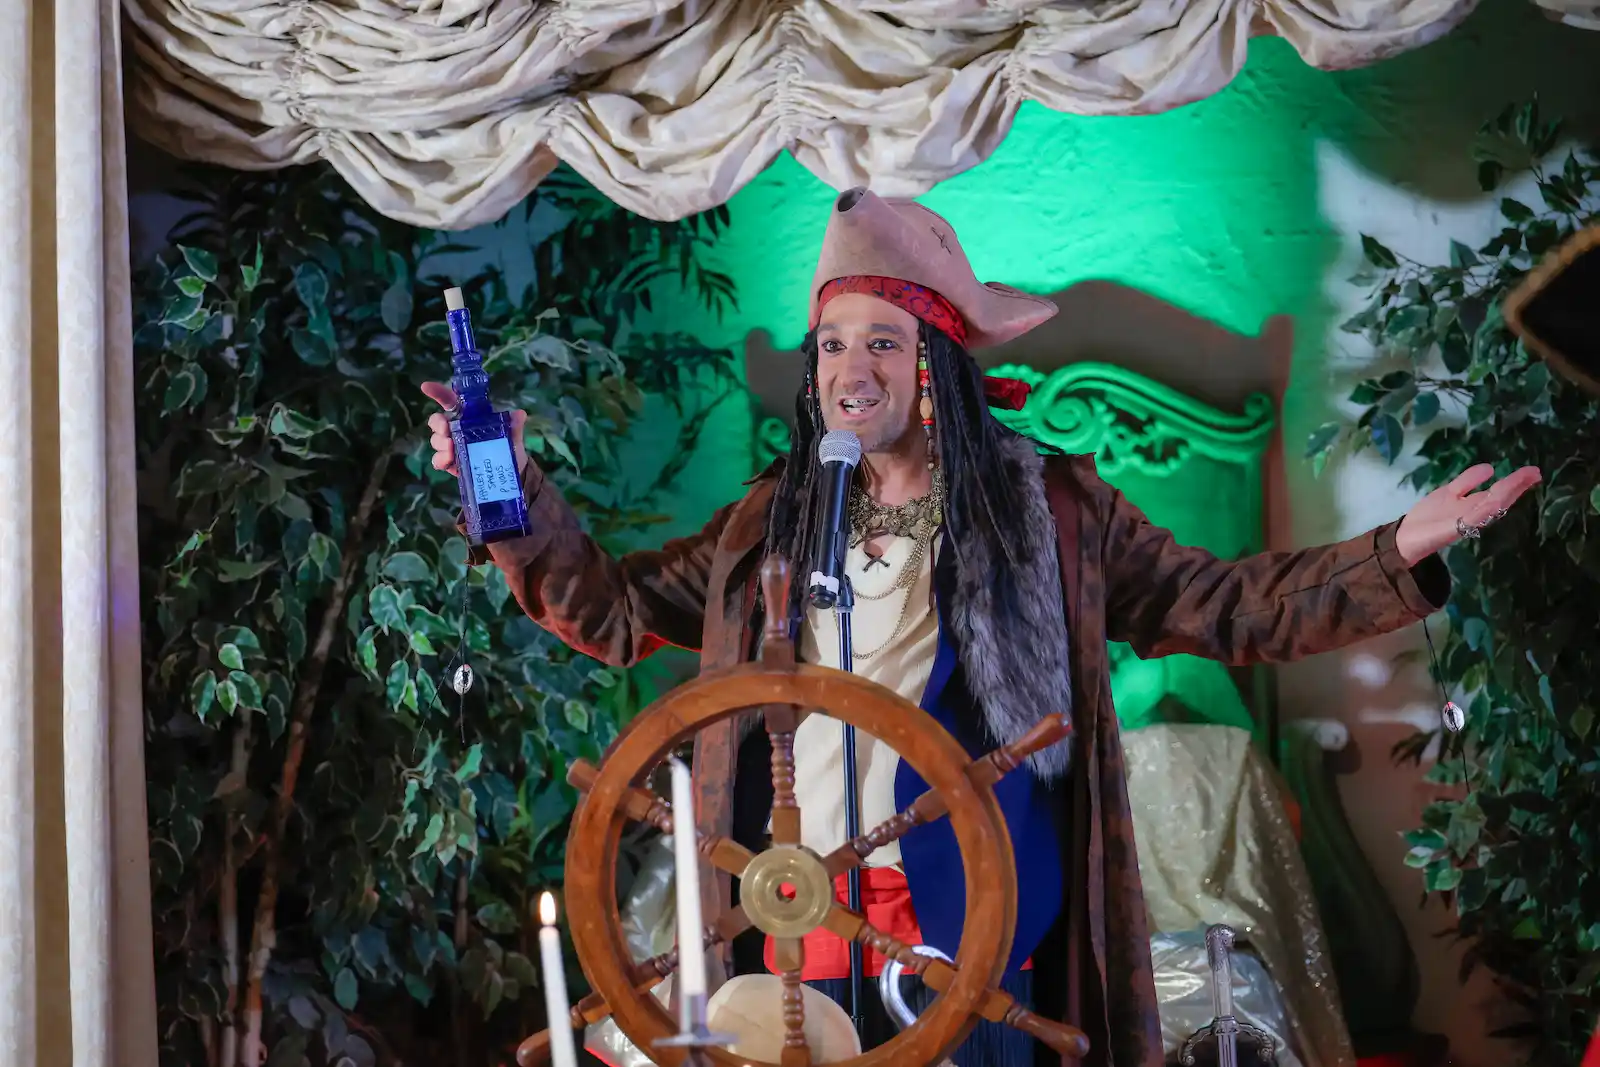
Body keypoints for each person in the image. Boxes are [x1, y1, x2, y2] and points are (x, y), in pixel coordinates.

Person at [422, 188, 1541, 1067]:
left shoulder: (1042, 508)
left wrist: (1392, 550)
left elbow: (1221, 601)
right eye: (830, 344)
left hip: (970, 899)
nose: (848, 369)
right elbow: (613, 613)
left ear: (933, 369)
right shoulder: (775, 514)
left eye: (881, 343)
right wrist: (508, 496)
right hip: (790, 892)